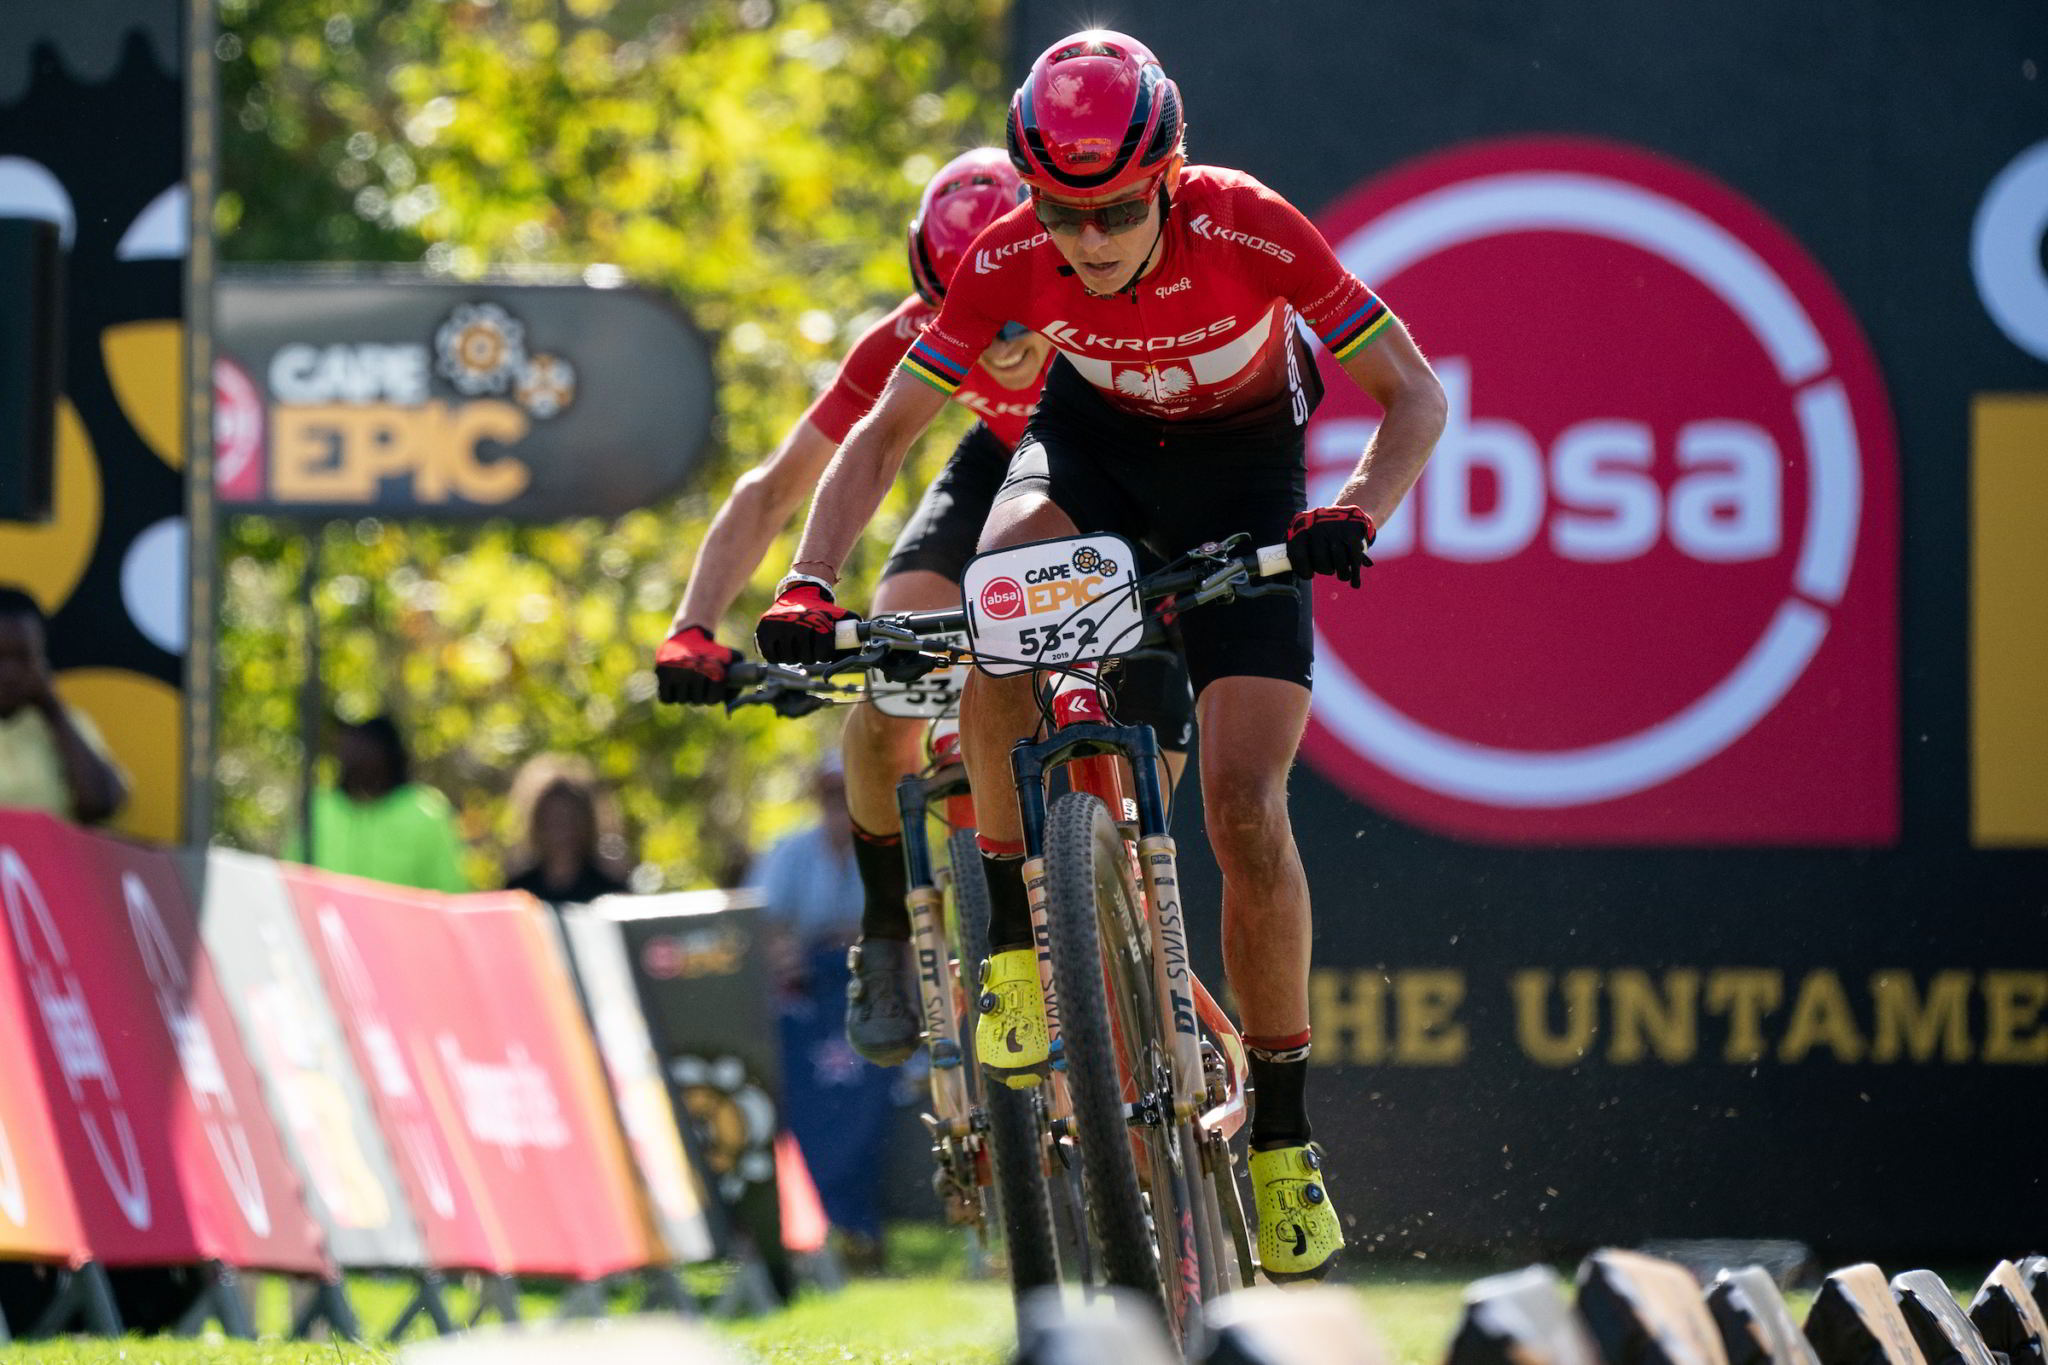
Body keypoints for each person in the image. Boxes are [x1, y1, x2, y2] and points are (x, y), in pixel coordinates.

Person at [755, 32, 1449, 1283]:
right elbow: (881, 435)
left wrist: (1352, 508)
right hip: (1090, 458)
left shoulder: (1248, 225)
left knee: (1242, 810)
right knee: (996, 600)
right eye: (1059, 208)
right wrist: (806, 578)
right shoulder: (1009, 255)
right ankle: (1019, 941)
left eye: (1117, 207)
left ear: (1170, 175)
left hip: (1241, 478)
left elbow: (1415, 397)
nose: (1085, 238)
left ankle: (1284, 1134)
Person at [653, 147, 1196, 1069]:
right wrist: (692, 624)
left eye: (1013, 321)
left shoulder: (1106, 292)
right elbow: (779, 486)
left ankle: (1116, 904)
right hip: (994, 474)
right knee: (889, 667)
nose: (997, 343)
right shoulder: (914, 332)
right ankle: (888, 936)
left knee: (1150, 669)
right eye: (966, 319)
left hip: (1104, 471)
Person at [746, 752, 896, 1263]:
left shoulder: (886, 850)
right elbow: (763, 933)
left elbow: (904, 928)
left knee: (862, 1114)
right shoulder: (788, 852)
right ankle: (812, 1228)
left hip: (868, 1003)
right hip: (804, 1012)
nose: (840, 805)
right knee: (809, 1114)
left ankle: (859, 1226)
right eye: (832, 794)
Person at [301, 714, 471, 892]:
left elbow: (450, 892)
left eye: (364, 745)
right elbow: (294, 876)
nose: (353, 753)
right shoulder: (319, 808)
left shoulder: (425, 813)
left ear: (387, 753)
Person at [0, 587, 127, 824]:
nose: (9, 673)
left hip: (48, 860)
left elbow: (101, 803)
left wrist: (53, 708)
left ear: (42, 659)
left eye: (22, 657)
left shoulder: (65, 724)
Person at [503, 754, 630, 903]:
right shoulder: (519, 891)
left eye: (570, 820)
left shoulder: (609, 889)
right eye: (552, 820)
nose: (561, 831)